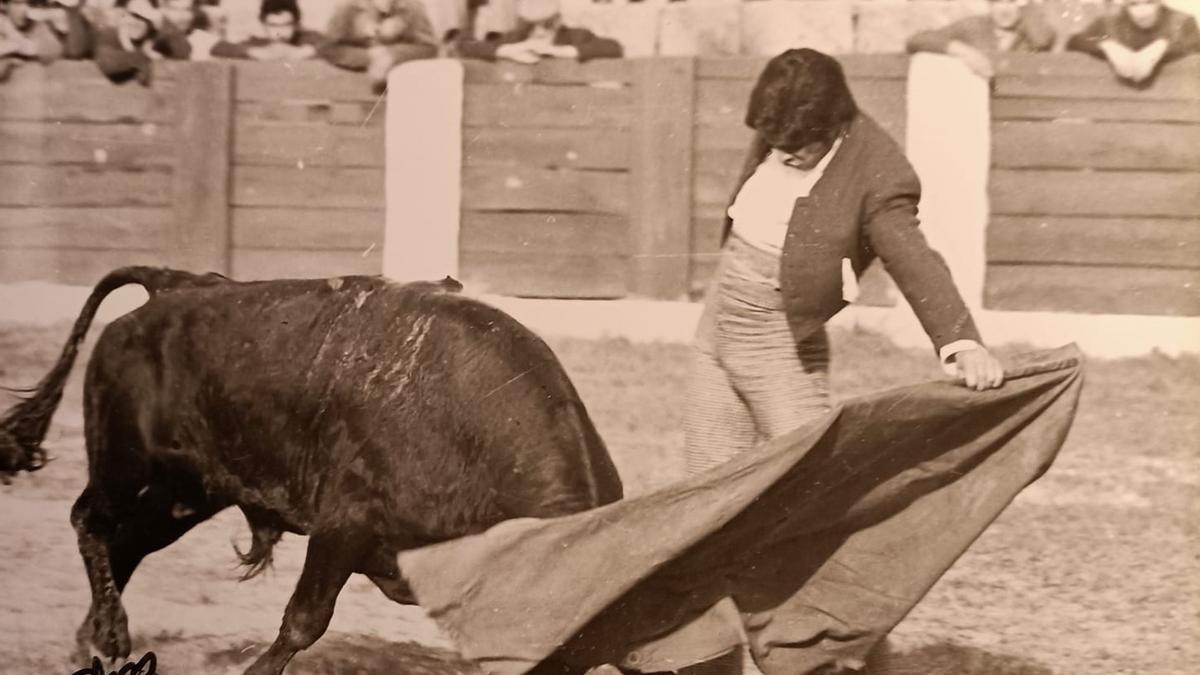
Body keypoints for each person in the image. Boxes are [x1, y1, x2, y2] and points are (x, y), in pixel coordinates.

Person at [682, 49, 1005, 674]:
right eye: (772, 141)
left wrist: (960, 340)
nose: (780, 154)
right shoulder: (785, 132)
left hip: (779, 344)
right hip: (715, 330)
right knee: (702, 512)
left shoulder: (878, 171)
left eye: (795, 145)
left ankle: (856, 663)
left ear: (832, 123)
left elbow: (913, 256)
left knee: (815, 519)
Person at [905, 0, 1055, 79]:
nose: (1005, 9)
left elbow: (1043, 40)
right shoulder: (974, 25)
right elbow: (917, 39)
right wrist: (963, 51)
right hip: (977, 103)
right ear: (989, 5)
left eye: (1011, 1)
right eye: (998, 2)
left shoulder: (1031, 27)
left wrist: (1029, 10)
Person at [1067, 0, 1200, 85]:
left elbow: (1195, 42)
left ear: (1161, 2)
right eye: (1134, 4)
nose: (1143, 11)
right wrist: (1107, 45)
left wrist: (1163, 46)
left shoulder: (1182, 21)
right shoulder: (1111, 22)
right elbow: (1074, 41)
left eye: (1150, 2)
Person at [319, 0, 437, 92]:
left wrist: (392, 54)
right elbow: (328, 48)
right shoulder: (348, 7)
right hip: (355, 84)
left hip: (402, 87)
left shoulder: (412, 7)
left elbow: (430, 48)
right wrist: (369, 56)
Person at [455, 0, 622, 63]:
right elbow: (464, 46)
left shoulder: (576, 36)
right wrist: (508, 51)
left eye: (547, 24)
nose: (539, 31)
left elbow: (614, 47)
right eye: (531, 25)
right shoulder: (517, 38)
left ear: (557, 20)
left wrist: (557, 51)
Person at [65, 0, 191, 84]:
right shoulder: (110, 35)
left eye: (141, 17)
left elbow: (184, 51)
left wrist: (161, 20)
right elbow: (107, 61)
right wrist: (144, 55)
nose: (134, 22)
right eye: (130, 16)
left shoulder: (155, 38)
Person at [210, 0, 319, 60]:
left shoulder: (307, 39)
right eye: (273, 25)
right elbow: (217, 47)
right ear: (263, 24)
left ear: (296, 24)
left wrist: (308, 51)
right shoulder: (257, 44)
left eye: (286, 25)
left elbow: (331, 44)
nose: (279, 33)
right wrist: (252, 52)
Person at [0, 0, 67, 81]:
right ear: (3, 5)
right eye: (17, 4)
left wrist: (15, 44)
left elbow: (54, 50)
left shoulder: (35, 24)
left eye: (29, 4)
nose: (24, 9)